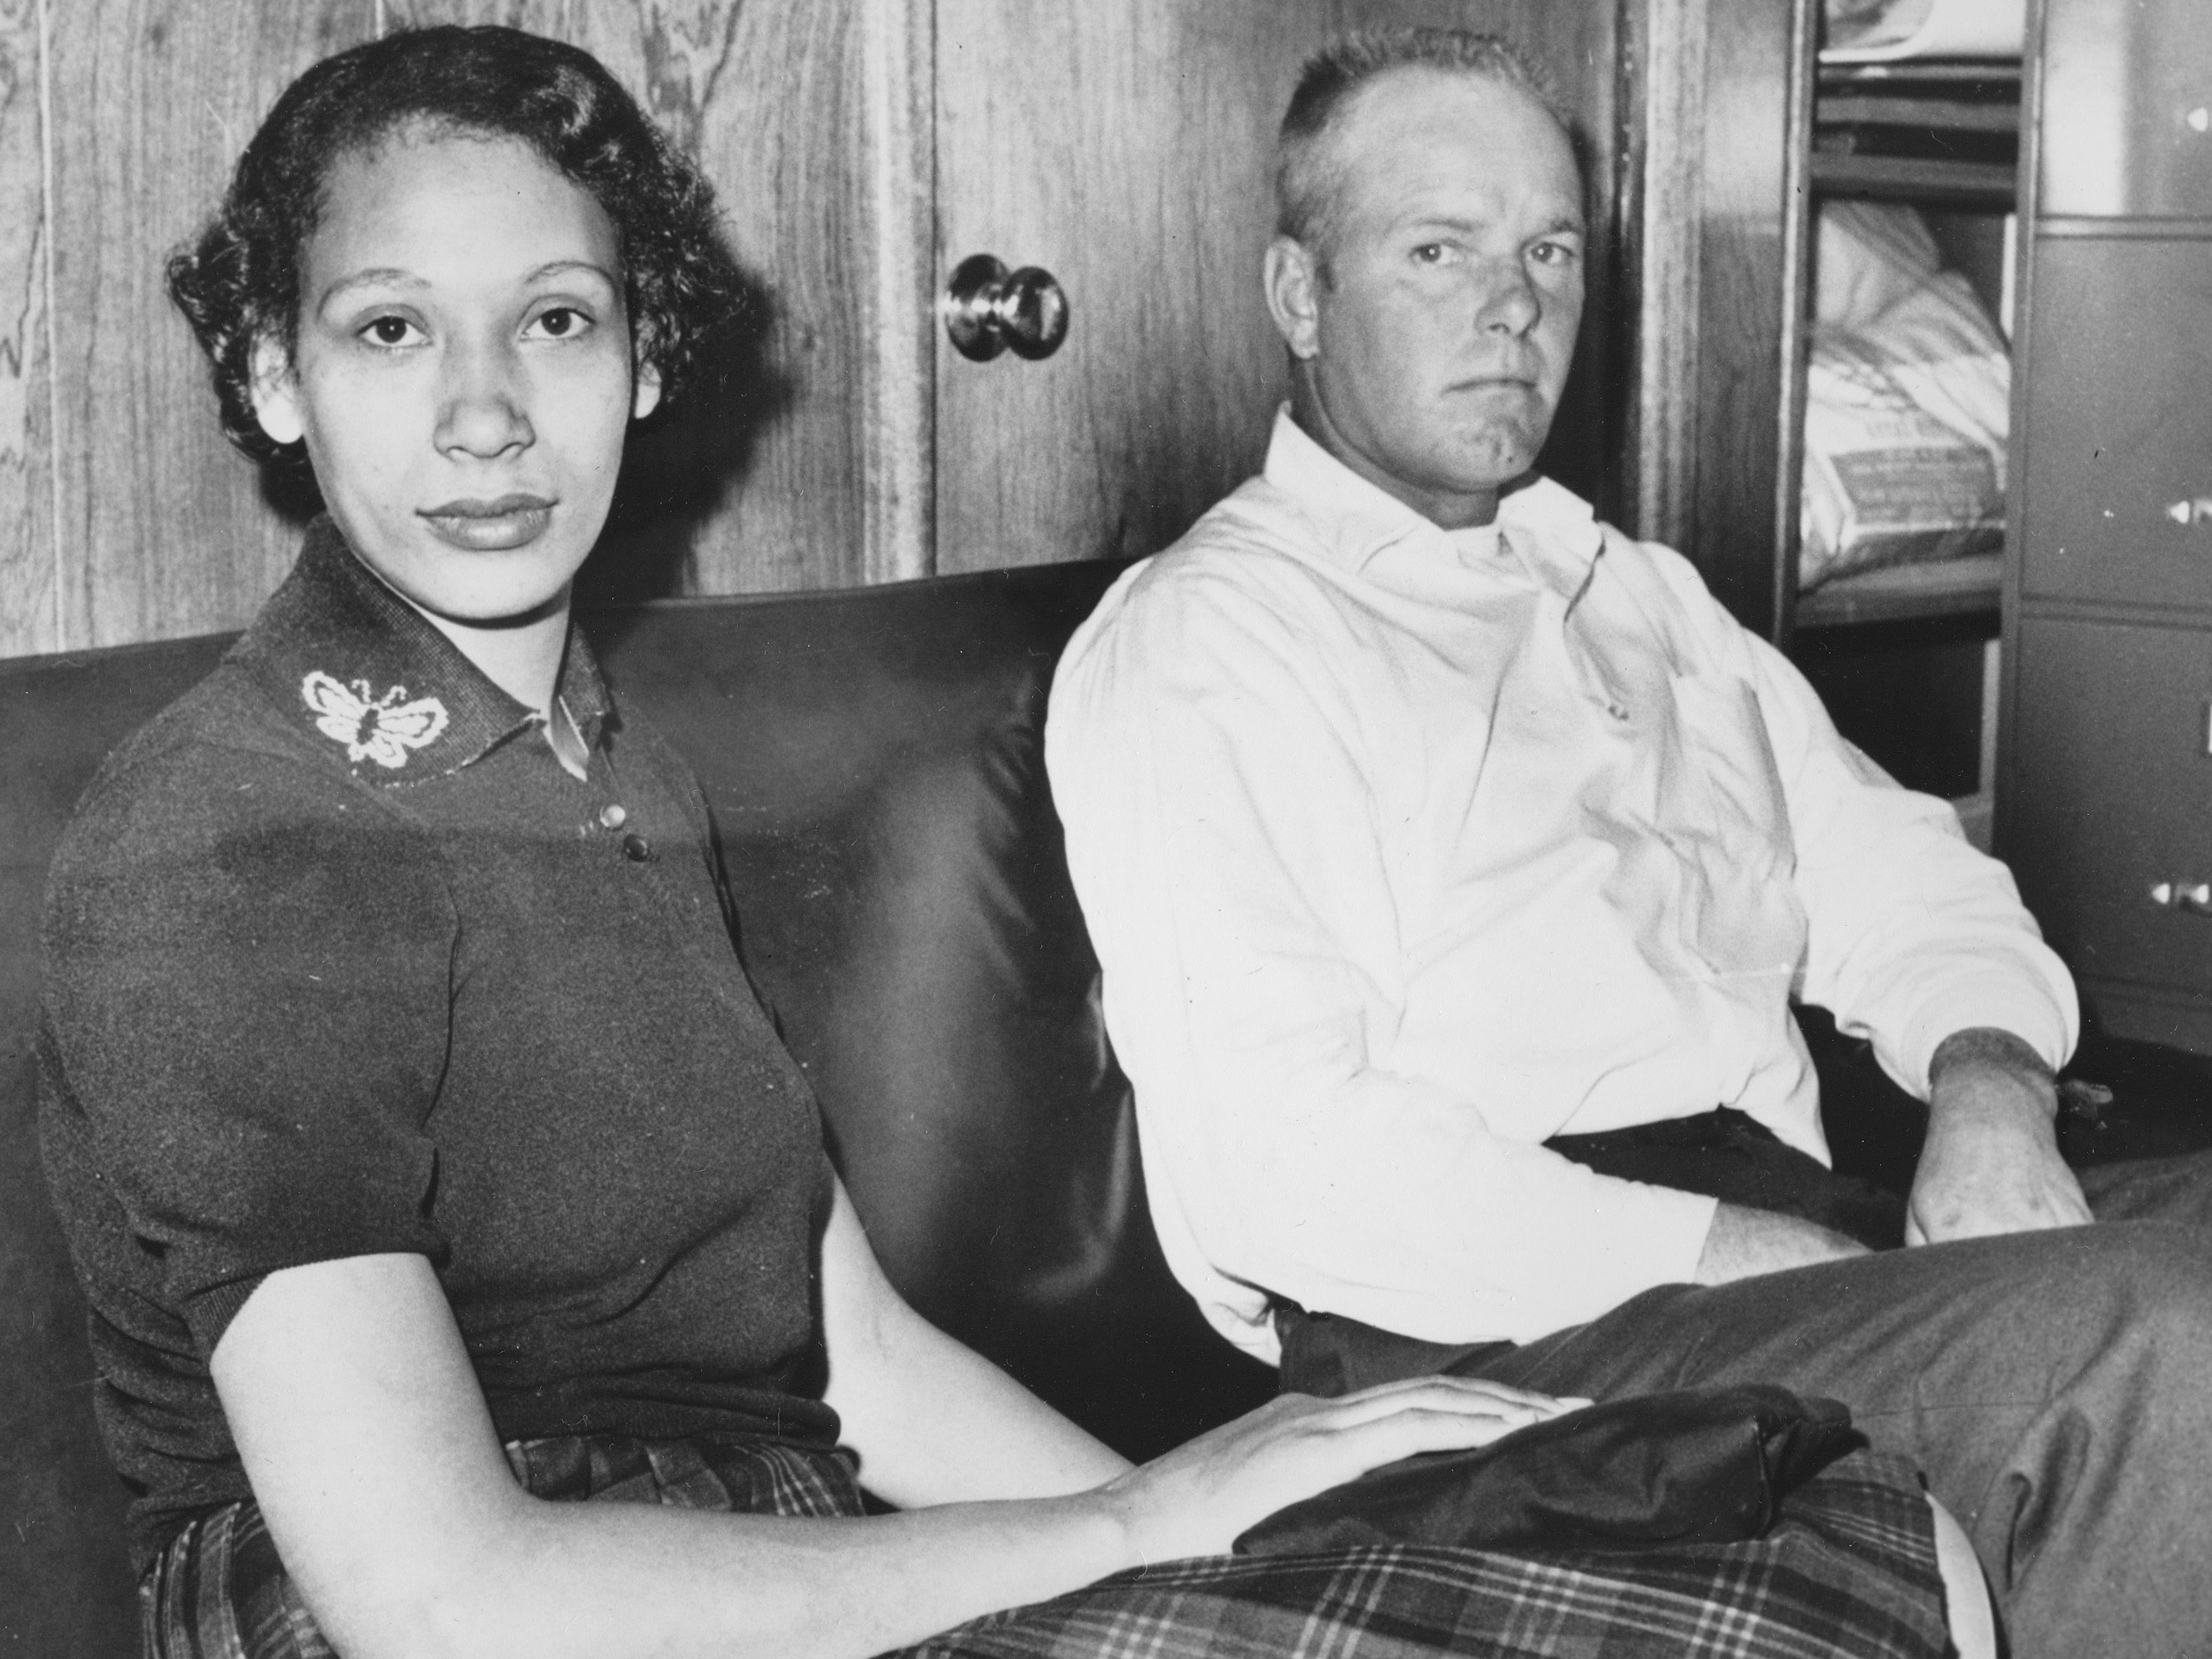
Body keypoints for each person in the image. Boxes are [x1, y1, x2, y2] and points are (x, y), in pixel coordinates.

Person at [33, 25, 1964, 1659]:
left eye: (551, 320)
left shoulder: (612, 777)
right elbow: (431, 1589)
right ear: (275, 377)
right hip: (508, 1610)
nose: (482, 413)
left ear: (637, 361)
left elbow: (852, 1356)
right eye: (388, 329)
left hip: (783, 1547)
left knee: (1793, 1534)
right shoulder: (229, 846)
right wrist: (1133, 1537)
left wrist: (1238, 1508)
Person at [1046, 27, 2212, 1659]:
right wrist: (1758, 1253)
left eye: (1544, 251)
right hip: (1485, 1339)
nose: (1510, 305)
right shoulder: (1214, 637)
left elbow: (1899, 871)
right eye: (1434, 248)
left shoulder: (1637, 592)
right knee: (2176, 1344)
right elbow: (1284, 1165)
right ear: (1298, 297)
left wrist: (1988, 1093)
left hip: (1777, 1231)